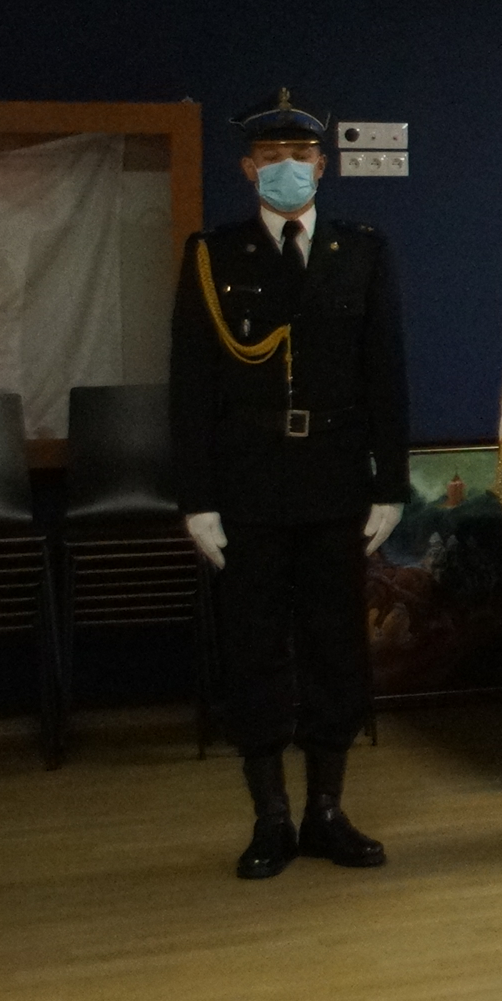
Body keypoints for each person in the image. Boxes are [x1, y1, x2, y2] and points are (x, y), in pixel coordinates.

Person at [169, 92, 411, 881]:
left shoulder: (361, 251)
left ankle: (326, 812)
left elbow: (385, 374)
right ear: (248, 170)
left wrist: (391, 481)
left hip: (335, 481)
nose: (286, 170)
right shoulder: (214, 256)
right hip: (247, 484)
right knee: (255, 649)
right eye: (270, 159)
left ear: (322, 165)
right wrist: (197, 498)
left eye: (299, 158)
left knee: (337, 647)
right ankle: (270, 817)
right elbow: (191, 385)